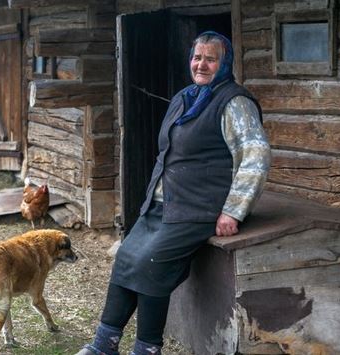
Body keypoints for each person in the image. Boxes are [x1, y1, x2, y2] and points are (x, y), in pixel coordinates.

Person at [76, 31, 271, 355]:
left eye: (211, 58)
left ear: (225, 64)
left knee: (152, 265)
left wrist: (233, 210)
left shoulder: (235, 102)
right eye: (197, 57)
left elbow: (256, 154)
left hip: (201, 206)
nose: (202, 64)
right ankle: (103, 345)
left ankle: (147, 349)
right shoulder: (184, 98)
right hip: (164, 201)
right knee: (126, 258)